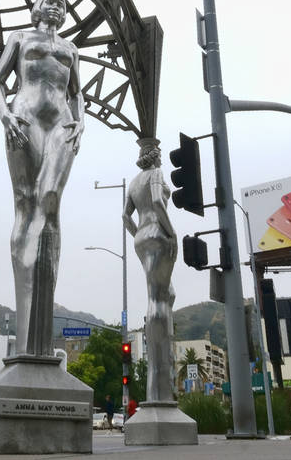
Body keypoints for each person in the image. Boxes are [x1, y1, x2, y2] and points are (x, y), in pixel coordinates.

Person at [0, 0, 83, 355]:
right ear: (37, 7)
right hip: (24, 117)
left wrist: (81, 121)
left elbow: (77, 91)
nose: (57, 4)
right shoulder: (20, 38)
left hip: (61, 122)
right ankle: (28, 331)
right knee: (26, 204)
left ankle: (40, 328)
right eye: (50, 0)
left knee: (51, 200)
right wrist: (4, 114)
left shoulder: (71, 49)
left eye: (62, 1)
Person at [123, 142, 177, 403]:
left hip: (142, 236)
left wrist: (139, 236)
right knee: (158, 298)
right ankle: (159, 388)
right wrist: (171, 232)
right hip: (157, 232)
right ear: (155, 159)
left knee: (166, 293)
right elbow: (157, 201)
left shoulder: (133, 183)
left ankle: (163, 367)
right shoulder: (155, 174)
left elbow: (125, 217)